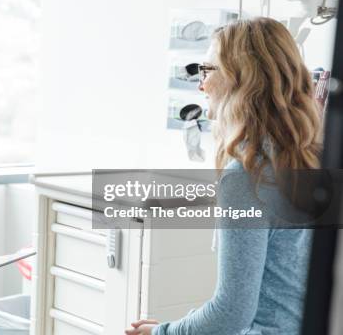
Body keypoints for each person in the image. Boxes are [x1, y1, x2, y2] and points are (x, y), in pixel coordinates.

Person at [127, 17, 323, 335]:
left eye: (207, 70)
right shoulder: (313, 157)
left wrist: (161, 333)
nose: (201, 85)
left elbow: (232, 313)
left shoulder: (247, 178)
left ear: (241, 79)